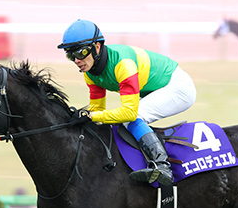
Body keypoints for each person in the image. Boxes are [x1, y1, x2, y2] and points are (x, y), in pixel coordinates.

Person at [57, 19, 197, 186]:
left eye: (80, 53)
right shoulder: (89, 72)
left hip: (178, 87)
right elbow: (97, 110)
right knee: (120, 120)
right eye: (70, 55)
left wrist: (92, 116)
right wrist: (85, 116)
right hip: (154, 90)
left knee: (132, 118)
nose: (76, 60)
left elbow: (129, 113)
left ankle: (163, 166)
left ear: (97, 47)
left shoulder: (123, 64)